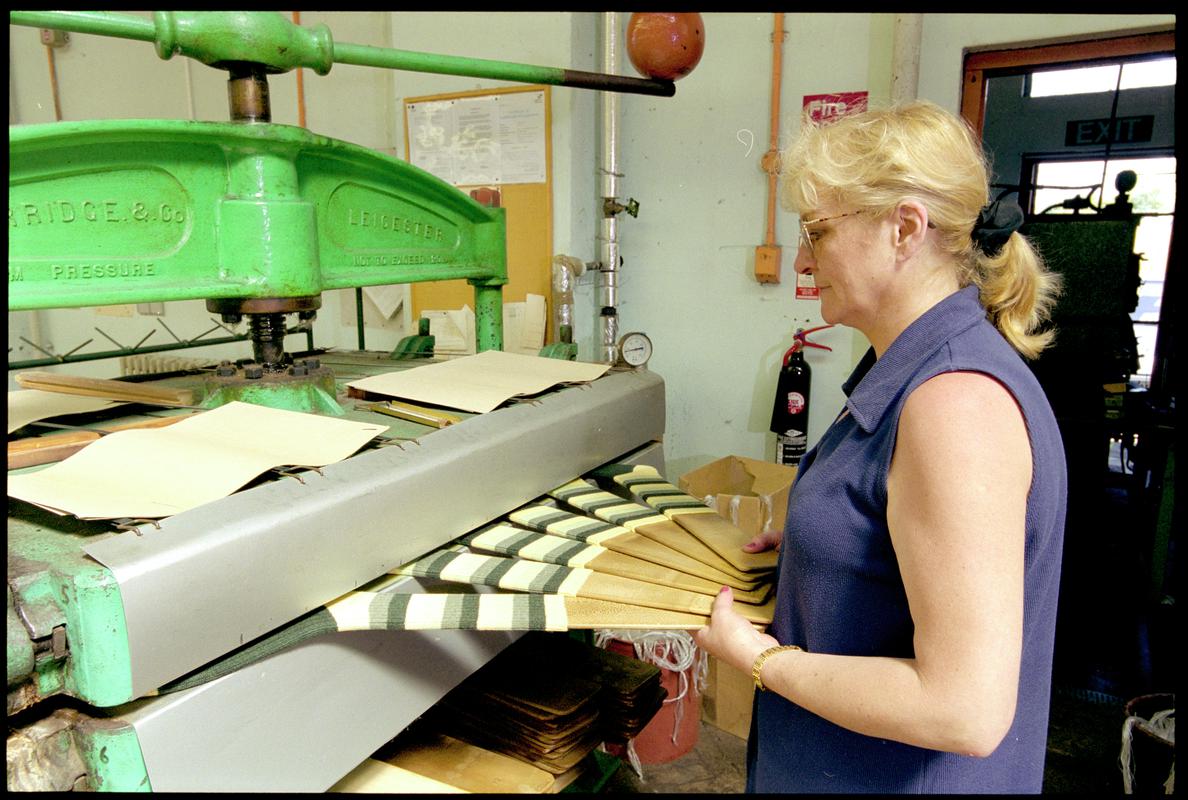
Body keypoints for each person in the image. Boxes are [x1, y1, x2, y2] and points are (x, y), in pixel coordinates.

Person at [693, 100, 1068, 793]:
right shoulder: (911, 368)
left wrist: (758, 662)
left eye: (818, 233)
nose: (804, 259)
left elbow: (965, 710)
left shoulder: (954, 404)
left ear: (905, 228)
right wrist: (824, 545)